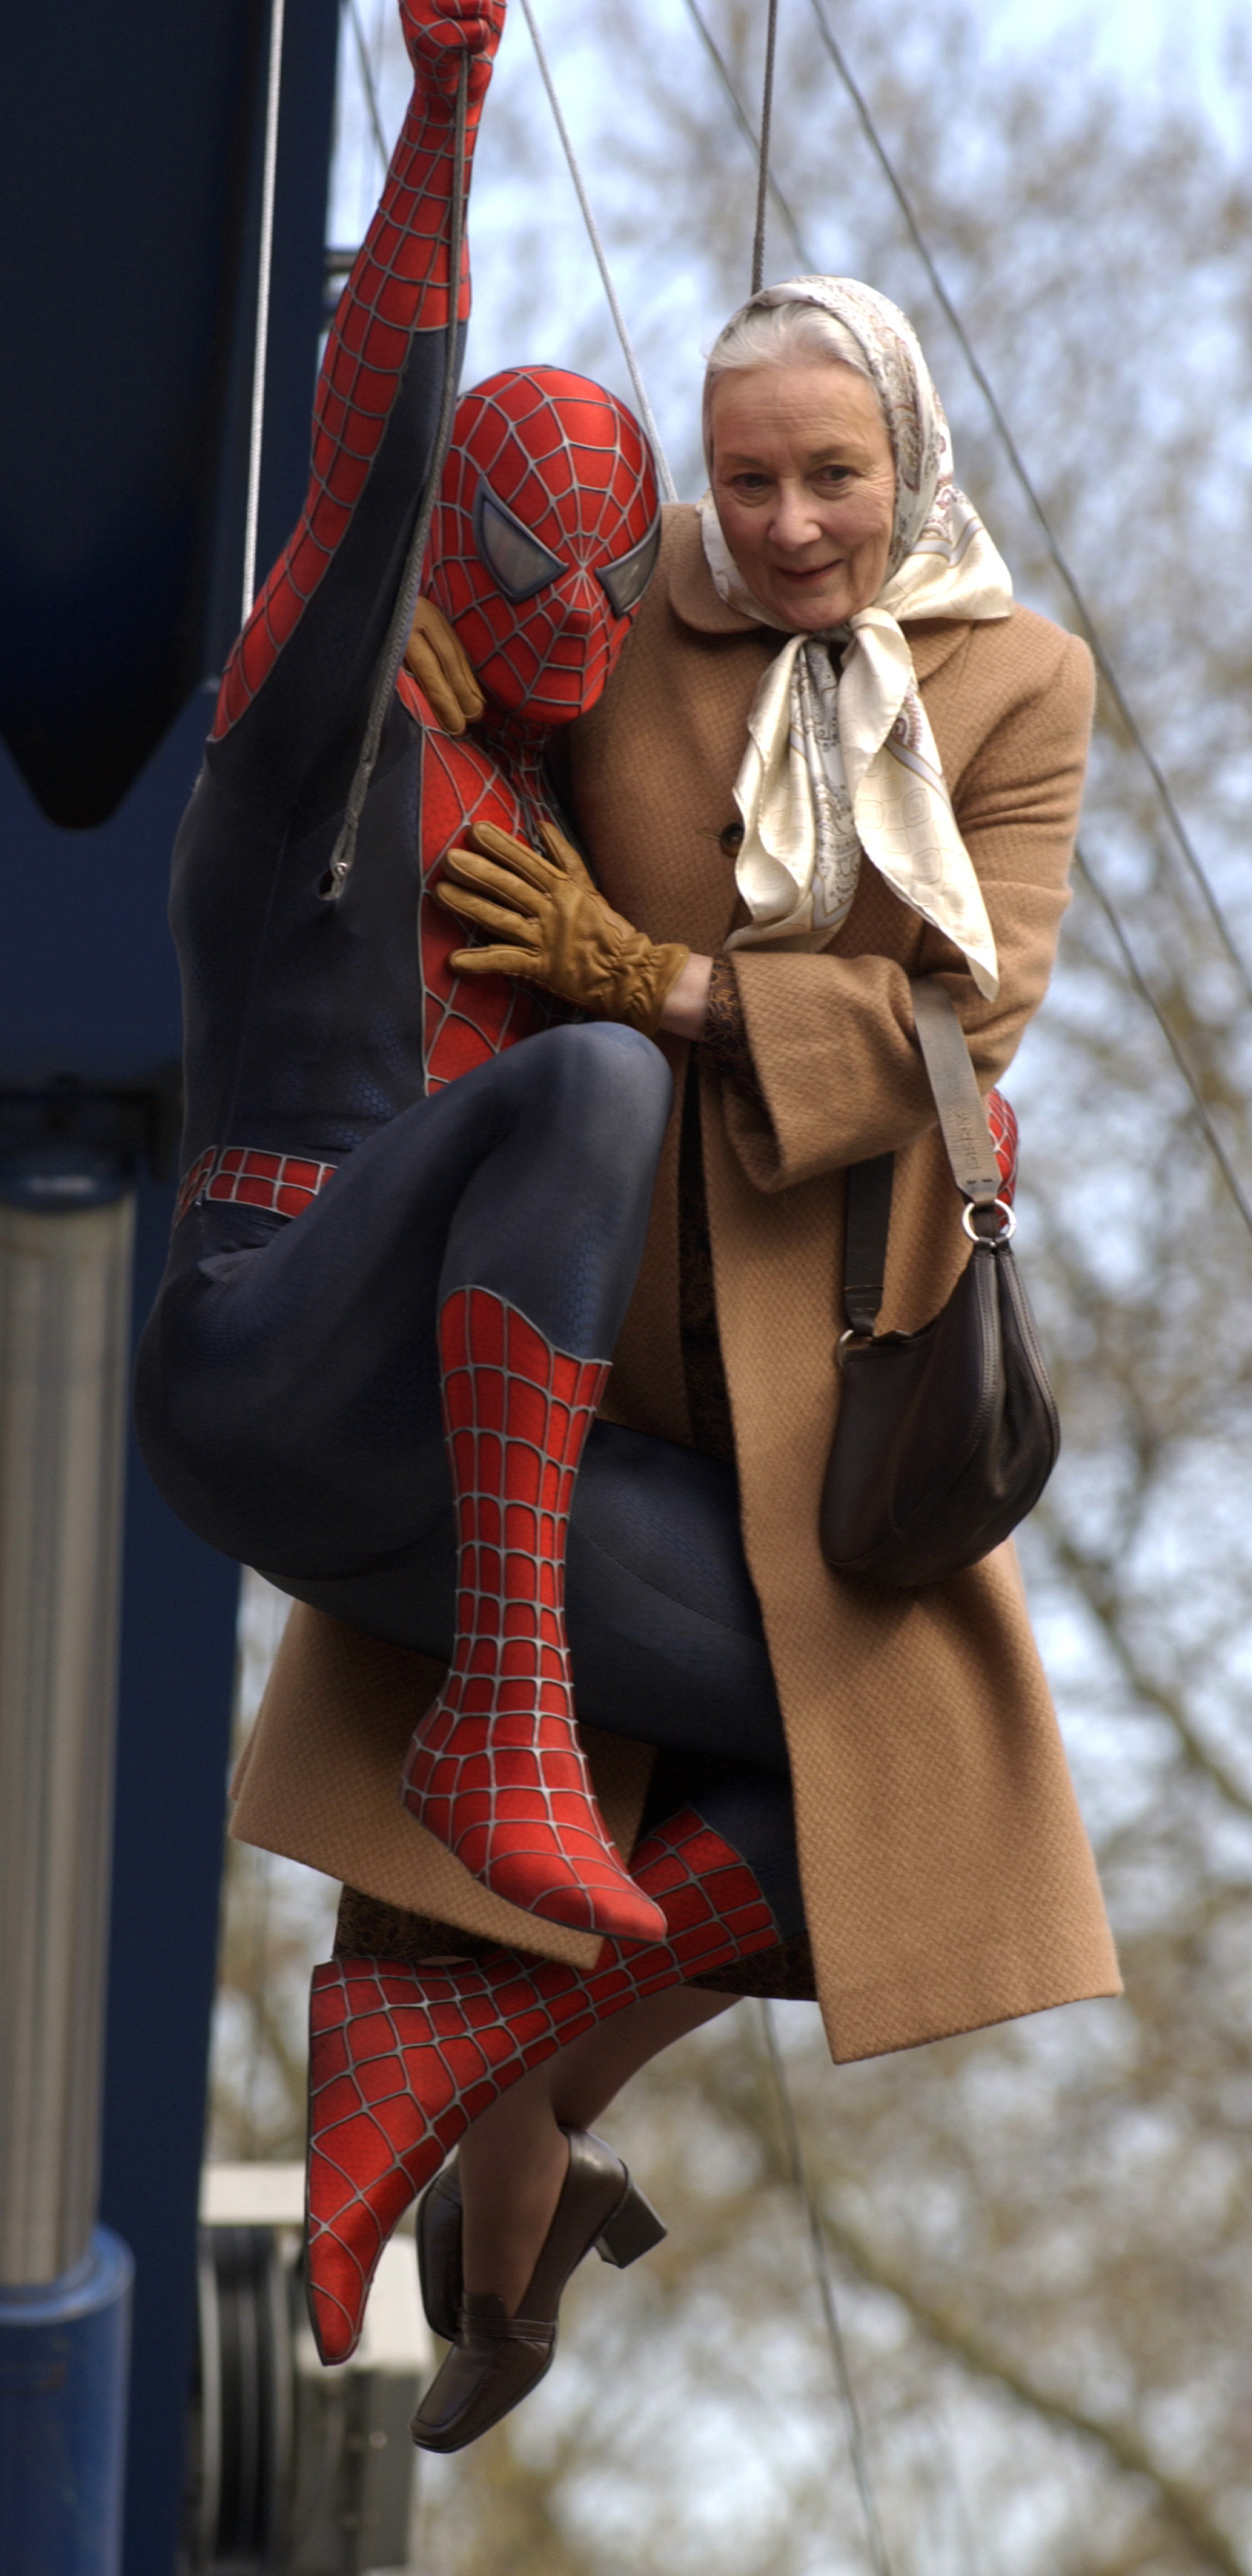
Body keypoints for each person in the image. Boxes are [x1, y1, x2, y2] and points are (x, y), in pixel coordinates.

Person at [134, 0, 831, 2438]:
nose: (558, 637)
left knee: (873, 1770)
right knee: (586, 1084)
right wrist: (438, 102)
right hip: (262, 1328)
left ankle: (459, 2025)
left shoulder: (555, 824)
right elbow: (371, 430)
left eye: (589, 612)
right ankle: (508, 1742)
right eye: (526, 578)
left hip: (448, 1473)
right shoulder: (313, 752)